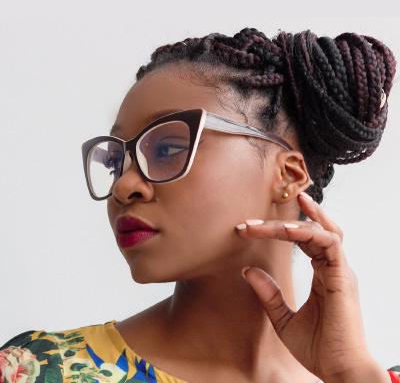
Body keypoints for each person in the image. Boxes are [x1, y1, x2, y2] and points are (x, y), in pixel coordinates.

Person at [1, 27, 399, 383]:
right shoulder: (39, 371)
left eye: (167, 148)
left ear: (288, 175)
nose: (123, 185)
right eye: (116, 161)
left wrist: (352, 376)